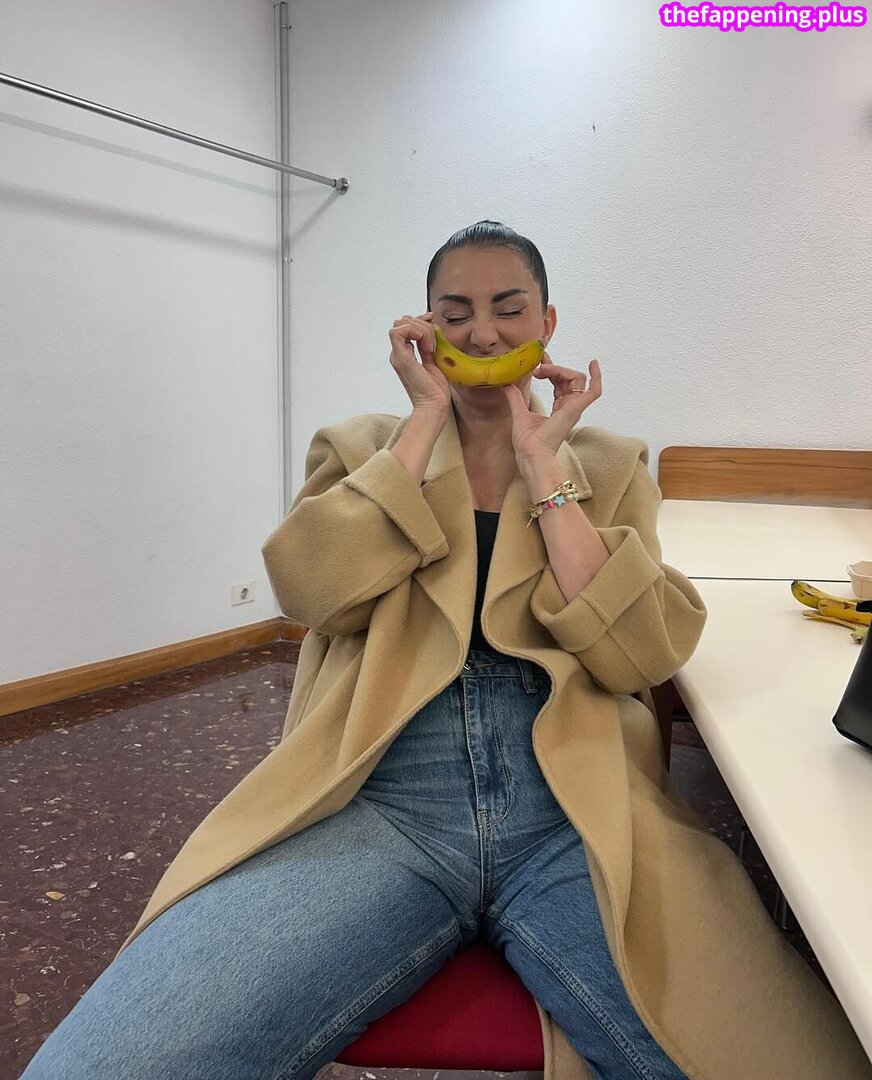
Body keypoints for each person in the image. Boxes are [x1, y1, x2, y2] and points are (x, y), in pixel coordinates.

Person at [22, 222, 872, 1080]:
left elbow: (639, 657)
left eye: (509, 309)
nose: (483, 334)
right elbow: (311, 591)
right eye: (455, 313)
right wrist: (423, 423)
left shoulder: (610, 463)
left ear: (547, 322)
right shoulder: (363, 449)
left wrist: (545, 471)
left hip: (574, 807)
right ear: (423, 328)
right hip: (380, 799)